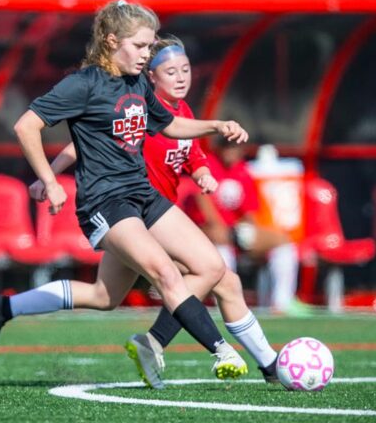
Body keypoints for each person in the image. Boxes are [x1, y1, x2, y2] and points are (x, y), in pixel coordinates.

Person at [0, 0, 249, 380]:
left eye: (149, 46)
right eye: (139, 46)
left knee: (185, 273)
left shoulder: (137, 81)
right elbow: (26, 126)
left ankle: (2, 309)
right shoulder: (83, 83)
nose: (146, 55)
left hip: (142, 195)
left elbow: (168, 125)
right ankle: (222, 352)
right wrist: (51, 181)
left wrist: (216, 126)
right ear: (110, 41)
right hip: (105, 202)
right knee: (166, 273)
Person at [31, 36, 279, 388]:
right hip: (136, 217)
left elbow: (191, 155)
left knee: (108, 296)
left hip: (159, 216)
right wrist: (49, 175)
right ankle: (248, 361)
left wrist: (203, 172)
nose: (181, 77)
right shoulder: (138, 108)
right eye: (170, 71)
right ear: (150, 77)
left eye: (186, 69)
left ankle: (265, 366)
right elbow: (80, 144)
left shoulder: (184, 112)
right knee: (213, 275)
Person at [185, 139, 306, 316]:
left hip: (234, 232)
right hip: (206, 232)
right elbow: (202, 202)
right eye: (227, 146)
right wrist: (223, 230)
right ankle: (226, 305)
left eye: (235, 146)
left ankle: (281, 303)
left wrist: (250, 234)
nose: (231, 151)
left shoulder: (242, 170)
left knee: (283, 242)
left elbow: (249, 212)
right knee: (221, 247)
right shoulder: (207, 165)